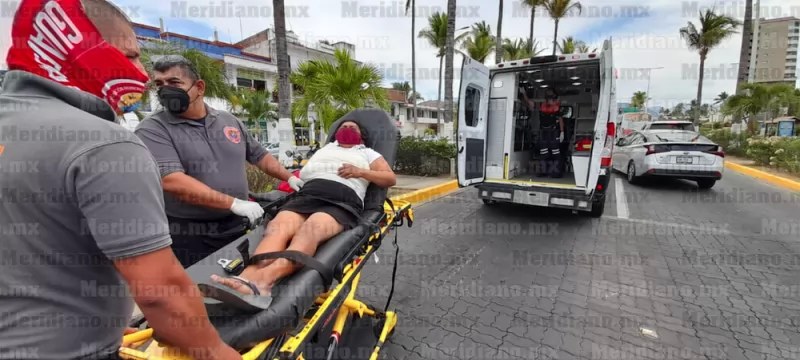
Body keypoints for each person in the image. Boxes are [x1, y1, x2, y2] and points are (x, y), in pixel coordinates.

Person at [0, 0, 241, 359]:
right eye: (130, 56)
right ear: (79, 48)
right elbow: (160, 291)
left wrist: (93, 319)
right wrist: (218, 353)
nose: (141, 76)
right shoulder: (107, 141)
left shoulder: (228, 122)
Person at [134, 56, 302, 268]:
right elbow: (171, 180)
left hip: (235, 224)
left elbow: (259, 155)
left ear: (199, 87)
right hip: (191, 233)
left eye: (174, 83)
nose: (165, 90)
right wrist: (233, 203)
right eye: (159, 84)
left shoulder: (228, 121)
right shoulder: (153, 129)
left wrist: (289, 178)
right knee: (202, 290)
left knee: (239, 277)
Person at [209, 120, 396, 296]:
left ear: (361, 136)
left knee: (310, 230)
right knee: (276, 228)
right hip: (309, 194)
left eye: (352, 127)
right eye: (344, 126)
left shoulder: (367, 153)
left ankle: (265, 281)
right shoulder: (327, 149)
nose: (347, 127)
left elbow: (390, 178)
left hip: (342, 199)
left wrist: (359, 171)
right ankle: (246, 277)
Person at [521, 87, 565, 178]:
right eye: (548, 93)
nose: (549, 96)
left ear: (554, 96)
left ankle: (556, 173)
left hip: (553, 132)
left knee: (555, 153)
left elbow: (560, 119)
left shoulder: (557, 106)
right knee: (544, 153)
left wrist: (562, 132)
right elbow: (529, 103)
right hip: (544, 132)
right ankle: (543, 172)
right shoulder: (541, 105)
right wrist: (524, 93)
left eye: (550, 93)